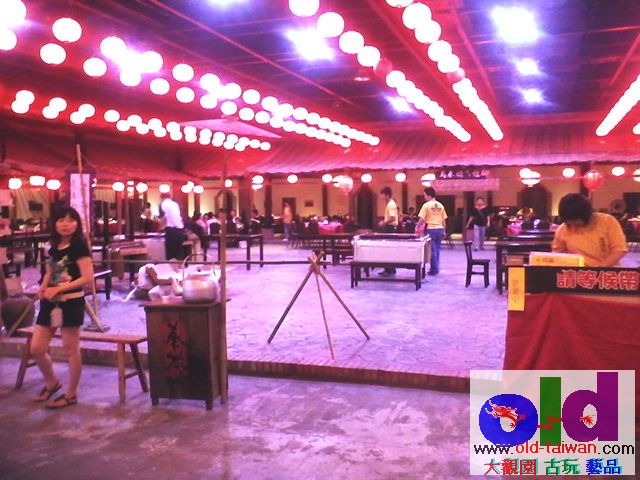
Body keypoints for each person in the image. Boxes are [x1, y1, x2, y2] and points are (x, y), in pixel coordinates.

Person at [30, 207, 94, 409]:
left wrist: (59, 288)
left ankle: (71, 394)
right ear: (55, 223)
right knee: (37, 348)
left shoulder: (80, 247)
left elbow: (87, 278)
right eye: (61, 220)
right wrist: (42, 287)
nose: (66, 224)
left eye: (71, 220)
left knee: (70, 349)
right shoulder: (55, 245)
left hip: (71, 302)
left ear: (77, 224)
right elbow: (51, 269)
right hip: (50, 302)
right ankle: (52, 383)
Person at [552, 193, 628, 267]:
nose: (573, 225)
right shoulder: (562, 229)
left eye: (576, 221)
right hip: (576, 272)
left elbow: (619, 249)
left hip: (606, 270)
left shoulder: (607, 221)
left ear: (587, 215)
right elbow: (557, 254)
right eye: (569, 222)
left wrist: (601, 267)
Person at [417, 187, 448, 275]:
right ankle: (436, 267)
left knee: (432, 250)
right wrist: (444, 230)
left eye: (425, 195)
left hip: (431, 229)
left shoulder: (426, 205)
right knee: (437, 249)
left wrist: (417, 225)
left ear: (429, 195)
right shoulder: (441, 205)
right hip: (440, 229)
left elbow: (422, 218)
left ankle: (434, 269)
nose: (424, 197)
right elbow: (443, 220)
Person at [378, 186, 399, 276]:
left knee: (388, 249)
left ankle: (389, 269)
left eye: (382, 194)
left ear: (387, 195)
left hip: (390, 227)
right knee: (389, 248)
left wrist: (383, 222)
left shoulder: (391, 204)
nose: (381, 196)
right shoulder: (390, 203)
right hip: (390, 227)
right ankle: (390, 269)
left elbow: (392, 218)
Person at [159, 191, 185, 260]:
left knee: (170, 253)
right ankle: (179, 265)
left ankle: (171, 265)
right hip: (180, 230)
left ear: (162, 198)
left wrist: (159, 228)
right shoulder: (175, 204)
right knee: (178, 252)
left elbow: (164, 218)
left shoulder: (163, 204)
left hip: (171, 231)